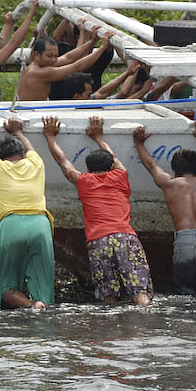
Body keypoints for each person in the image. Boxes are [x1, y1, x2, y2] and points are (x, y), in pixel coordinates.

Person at [43, 115, 152, 306]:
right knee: (139, 292)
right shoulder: (120, 175)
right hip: (124, 237)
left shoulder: (83, 181)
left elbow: (63, 161)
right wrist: (98, 137)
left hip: (98, 242)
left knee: (108, 296)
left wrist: (50, 136)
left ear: (88, 169)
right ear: (111, 167)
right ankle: (144, 330)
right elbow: (115, 158)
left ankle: (108, 331)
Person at [0, 117, 54, 310]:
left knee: (5, 286)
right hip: (40, 225)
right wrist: (18, 131)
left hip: (11, 225)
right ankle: (41, 305)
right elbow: (30, 149)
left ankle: (31, 305)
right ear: (21, 154)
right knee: (43, 284)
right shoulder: (35, 163)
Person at [133, 120, 196, 295]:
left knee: (186, 293)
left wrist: (138, 143)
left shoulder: (170, 184)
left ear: (174, 171)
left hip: (185, 239)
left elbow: (151, 166)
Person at [16, 30, 115, 101]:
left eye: (56, 56)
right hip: (28, 114)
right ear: (36, 54)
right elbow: (77, 67)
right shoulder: (39, 72)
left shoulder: (42, 64)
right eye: (50, 56)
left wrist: (92, 41)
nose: (54, 60)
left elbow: (68, 57)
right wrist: (102, 48)